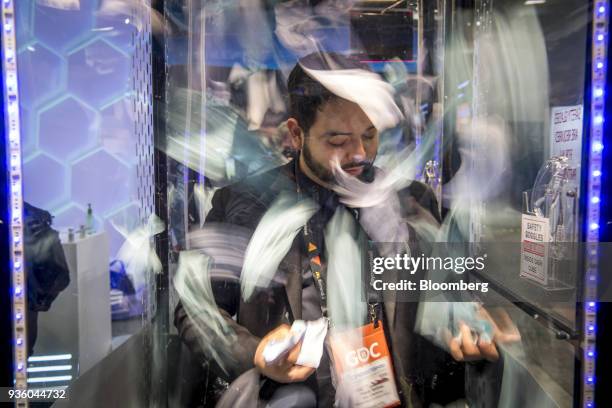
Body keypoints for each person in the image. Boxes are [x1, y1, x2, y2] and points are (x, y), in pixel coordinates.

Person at [174, 52, 499, 407]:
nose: (359, 154)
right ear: (297, 134)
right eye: (338, 141)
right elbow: (195, 309)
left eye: (369, 135)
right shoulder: (246, 204)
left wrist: (462, 323)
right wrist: (256, 351)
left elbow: (446, 296)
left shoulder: (411, 202)